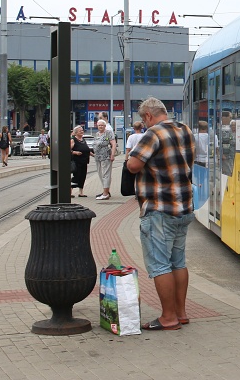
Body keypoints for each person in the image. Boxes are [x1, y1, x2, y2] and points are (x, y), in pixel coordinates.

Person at [126, 97, 195, 331]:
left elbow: (133, 166)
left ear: (147, 116)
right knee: (178, 262)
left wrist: (131, 159)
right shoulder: (184, 129)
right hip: (183, 206)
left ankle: (168, 317)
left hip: (159, 208)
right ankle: (181, 313)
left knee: (160, 265)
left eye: (142, 119)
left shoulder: (153, 133)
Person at [92, 118, 117, 200]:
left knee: (106, 174)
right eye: (99, 125)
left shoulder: (108, 133)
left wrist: (112, 155)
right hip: (97, 157)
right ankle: (105, 190)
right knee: (100, 174)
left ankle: (105, 193)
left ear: (105, 126)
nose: (100, 127)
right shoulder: (97, 134)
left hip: (106, 156)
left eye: (102, 125)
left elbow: (113, 144)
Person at [70, 125, 92, 197]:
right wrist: (75, 152)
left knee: (83, 176)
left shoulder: (83, 140)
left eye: (82, 130)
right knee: (76, 176)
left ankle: (81, 192)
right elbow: (68, 149)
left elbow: (87, 150)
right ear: (76, 132)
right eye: (80, 131)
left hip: (84, 161)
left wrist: (94, 155)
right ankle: (70, 192)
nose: (82, 132)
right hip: (77, 161)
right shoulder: (73, 140)